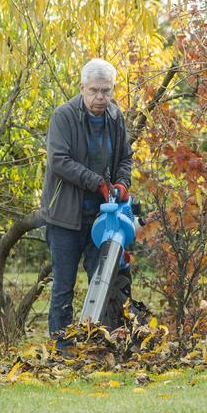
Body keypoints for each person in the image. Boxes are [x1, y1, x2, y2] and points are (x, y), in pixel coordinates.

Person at [40, 58, 133, 354]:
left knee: (105, 280)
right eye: (94, 91)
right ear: (82, 88)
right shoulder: (63, 116)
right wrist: (97, 182)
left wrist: (120, 182)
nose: (100, 98)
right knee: (63, 285)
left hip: (102, 218)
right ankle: (62, 347)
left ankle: (101, 343)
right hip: (65, 217)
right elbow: (59, 161)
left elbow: (125, 159)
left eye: (106, 91)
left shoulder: (115, 118)